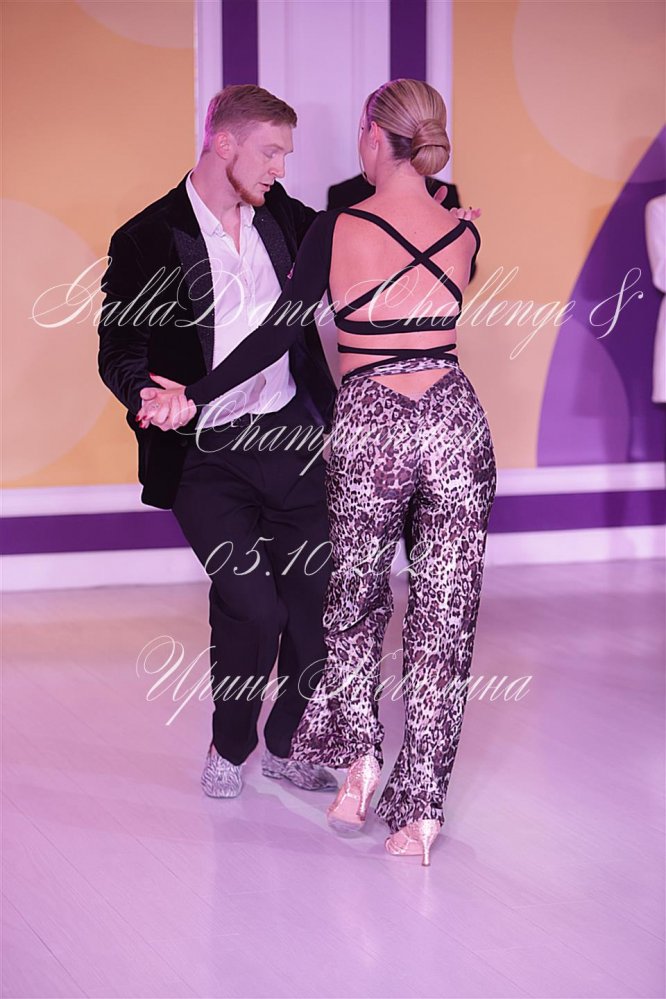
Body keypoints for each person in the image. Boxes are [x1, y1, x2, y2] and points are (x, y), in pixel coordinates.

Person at [139, 79, 496, 867]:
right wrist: (452, 212)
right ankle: (421, 814)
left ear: (372, 135)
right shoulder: (464, 230)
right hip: (455, 420)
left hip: (373, 423)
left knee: (352, 606)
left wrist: (195, 393)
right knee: (446, 620)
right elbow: (449, 267)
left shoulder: (339, 226)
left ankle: (358, 763)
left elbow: (278, 332)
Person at [98, 85, 339, 799]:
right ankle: (230, 745)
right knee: (252, 607)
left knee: (315, 602)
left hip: (292, 438)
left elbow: (357, 234)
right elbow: (119, 347)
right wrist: (147, 396)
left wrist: (433, 211)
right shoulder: (146, 237)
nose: (280, 169)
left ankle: (288, 742)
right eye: (270, 153)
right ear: (223, 143)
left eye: (286, 155)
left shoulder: (286, 218)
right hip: (206, 454)